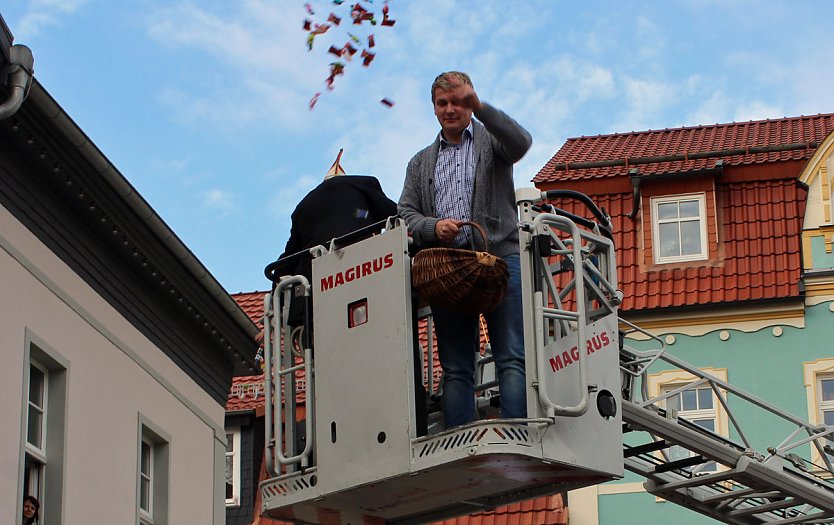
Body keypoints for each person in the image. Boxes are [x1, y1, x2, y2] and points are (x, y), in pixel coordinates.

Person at [398, 71, 532, 428]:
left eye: (458, 101)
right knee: (456, 367)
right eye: (443, 103)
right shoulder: (420, 162)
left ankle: (518, 432)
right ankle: (460, 437)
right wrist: (432, 226)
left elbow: (521, 142)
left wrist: (483, 108)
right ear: (434, 109)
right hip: (450, 269)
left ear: (469, 103)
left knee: (511, 355)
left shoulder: (491, 141)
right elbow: (405, 213)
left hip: (500, 257)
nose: (450, 109)